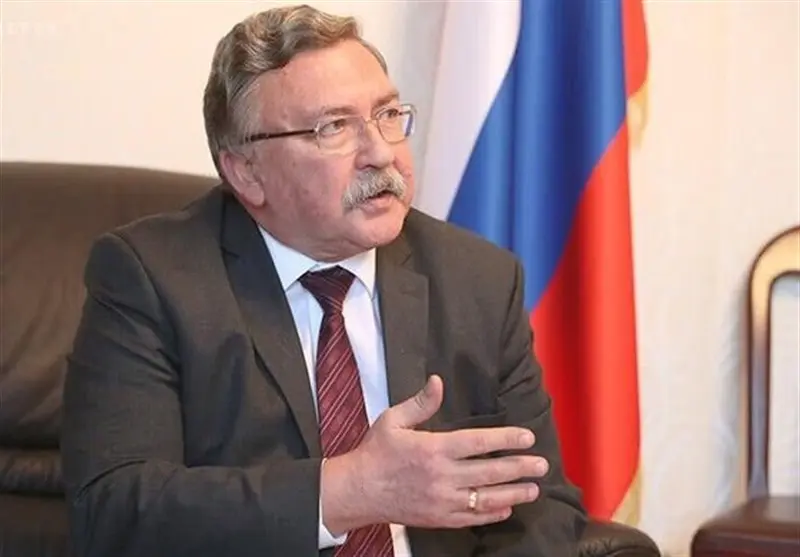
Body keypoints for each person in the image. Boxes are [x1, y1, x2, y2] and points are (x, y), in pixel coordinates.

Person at [61, 4, 587, 557]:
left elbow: (541, 507)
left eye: (387, 114)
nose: (381, 152)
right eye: (333, 128)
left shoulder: (476, 279)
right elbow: (114, 511)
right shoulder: (151, 279)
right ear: (247, 172)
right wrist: (351, 490)